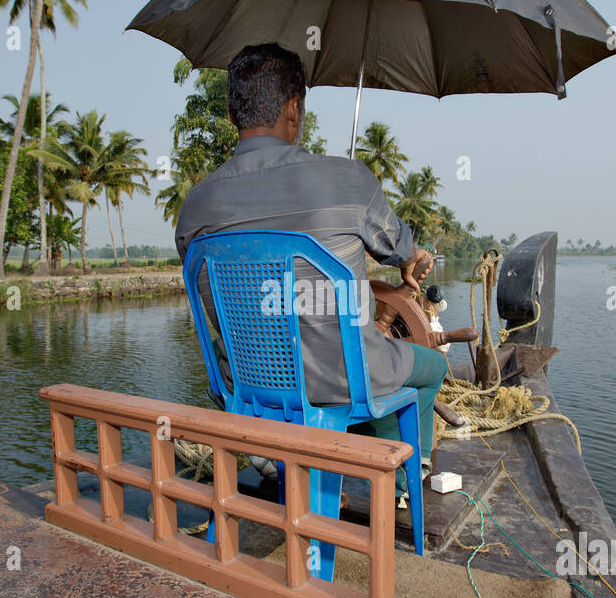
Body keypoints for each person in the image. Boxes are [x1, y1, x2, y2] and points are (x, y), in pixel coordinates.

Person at [175, 42, 446, 508]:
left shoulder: (195, 206)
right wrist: (410, 256)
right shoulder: (347, 179)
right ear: (293, 108)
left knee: (338, 367)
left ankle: (273, 459)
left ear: (234, 111)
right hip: (342, 382)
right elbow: (399, 247)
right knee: (429, 367)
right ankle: (404, 487)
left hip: (244, 384)